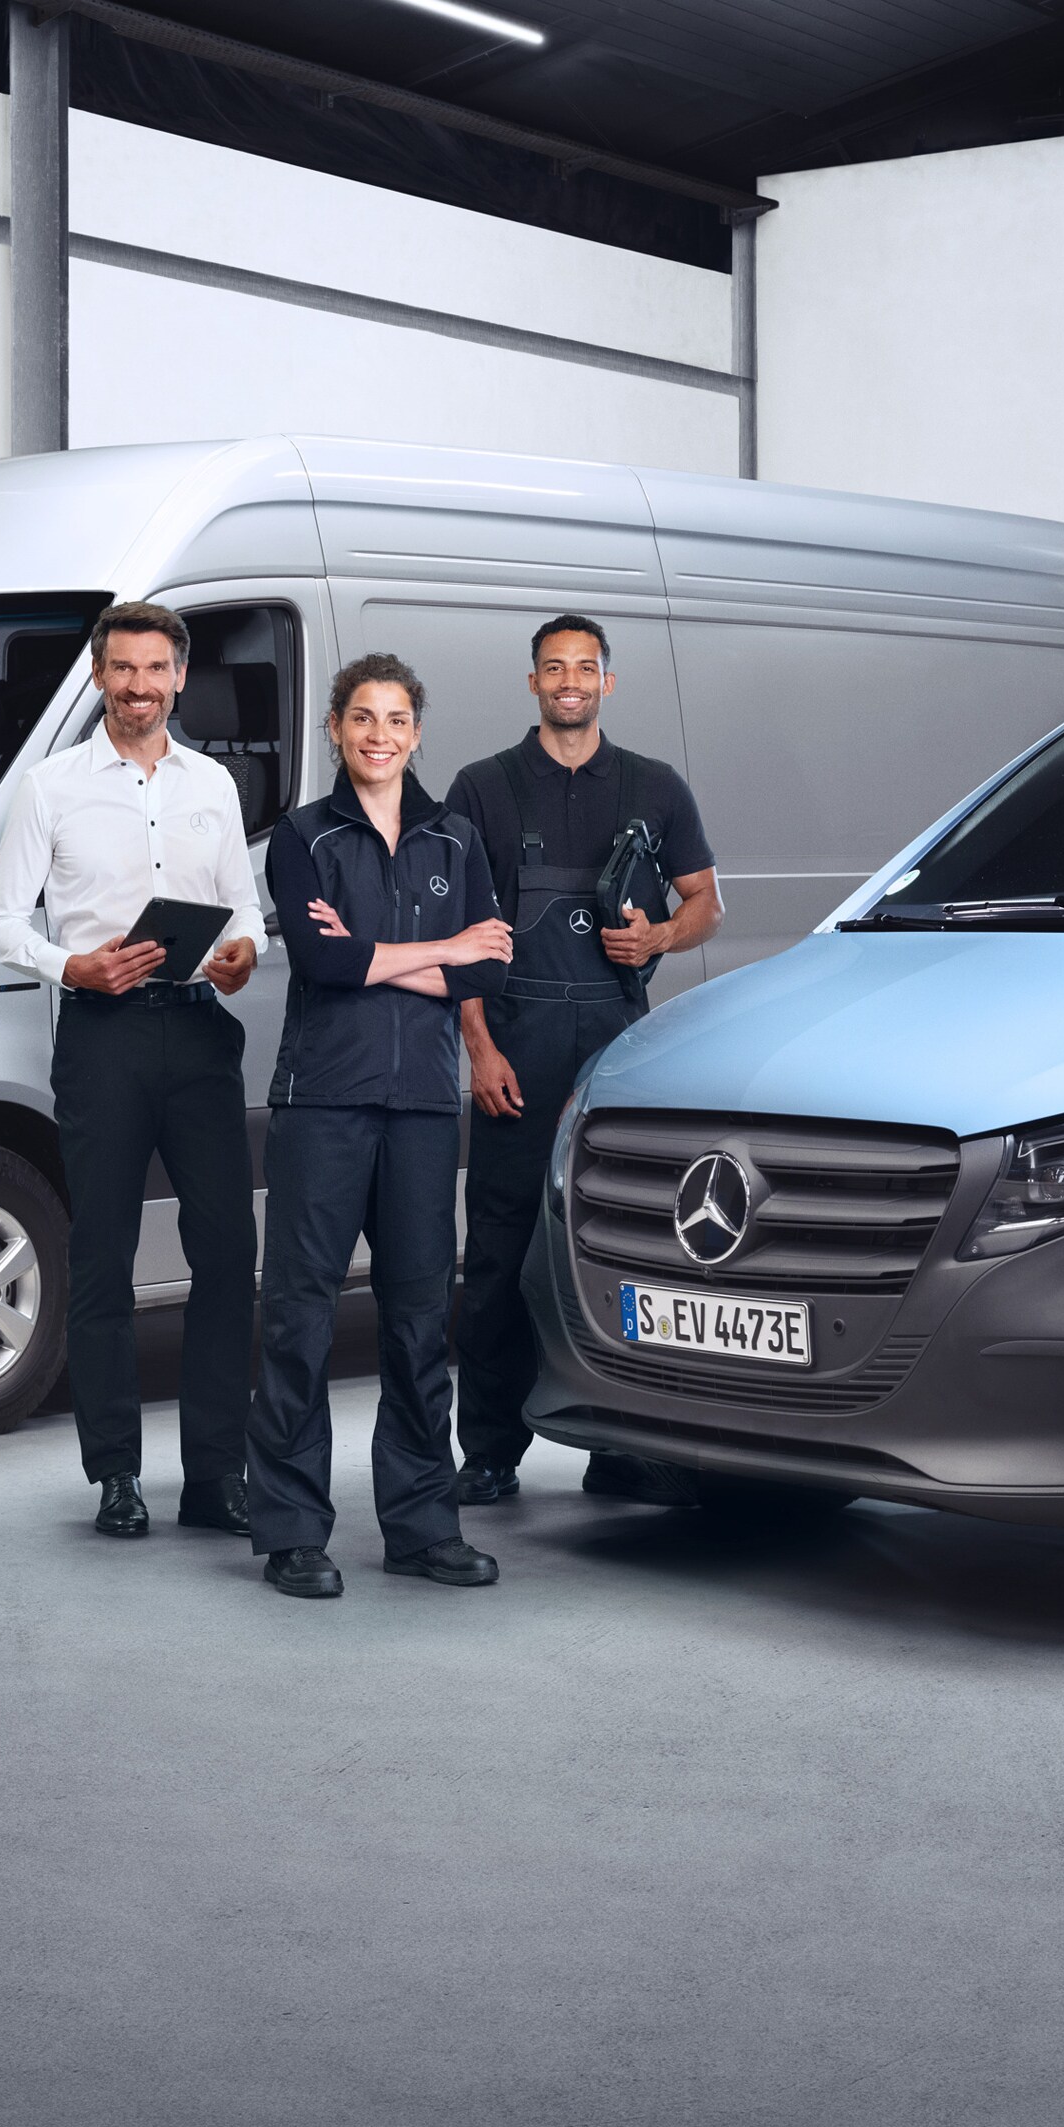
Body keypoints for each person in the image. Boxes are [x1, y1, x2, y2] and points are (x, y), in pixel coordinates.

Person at [0, 600, 268, 1541]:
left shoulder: (212, 784)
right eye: (122, 669)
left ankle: (213, 1476)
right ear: (99, 676)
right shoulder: (50, 787)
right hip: (101, 1037)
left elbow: (243, 911)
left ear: (180, 676)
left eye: (155, 669)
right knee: (100, 1254)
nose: (139, 686)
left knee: (228, 1255)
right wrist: (74, 966)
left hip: (198, 1037)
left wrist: (239, 955)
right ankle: (115, 1475)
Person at [246, 655, 516, 1599]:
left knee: (412, 1324)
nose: (378, 735)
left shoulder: (454, 839)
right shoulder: (303, 837)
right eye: (361, 718)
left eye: (395, 720)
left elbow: (486, 973)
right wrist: (439, 950)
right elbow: (320, 963)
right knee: (298, 1319)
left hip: (421, 1110)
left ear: (415, 733)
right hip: (321, 1101)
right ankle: (289, 1528)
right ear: (333, 727)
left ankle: (419, 1525)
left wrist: (379, 956)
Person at [443, 614, 723, 1508]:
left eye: (585, 668)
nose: (570, 681)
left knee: (619, 1253)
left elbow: (705, 902)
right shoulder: (481, 788)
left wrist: (659, 938)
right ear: (531, 682)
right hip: (515, 1049)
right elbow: (454, 938)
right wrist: (479, 1050)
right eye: (553, 668)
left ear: (609, 681)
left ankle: (619, 1443)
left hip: (617, 1051)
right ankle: (488, 1450)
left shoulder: (654, 786)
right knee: (494, 1255)